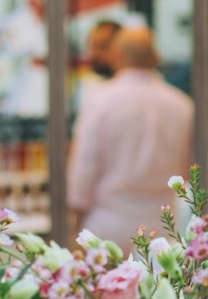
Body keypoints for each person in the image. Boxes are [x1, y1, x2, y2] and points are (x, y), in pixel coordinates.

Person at [67, 25, 194, 251]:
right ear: (156, 57)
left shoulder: (100, 101)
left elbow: (83, 170)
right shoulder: (181, 105)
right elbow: (188, 170)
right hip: (163, 229)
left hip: (106, 227)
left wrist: (76, 218)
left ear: (117, 58)